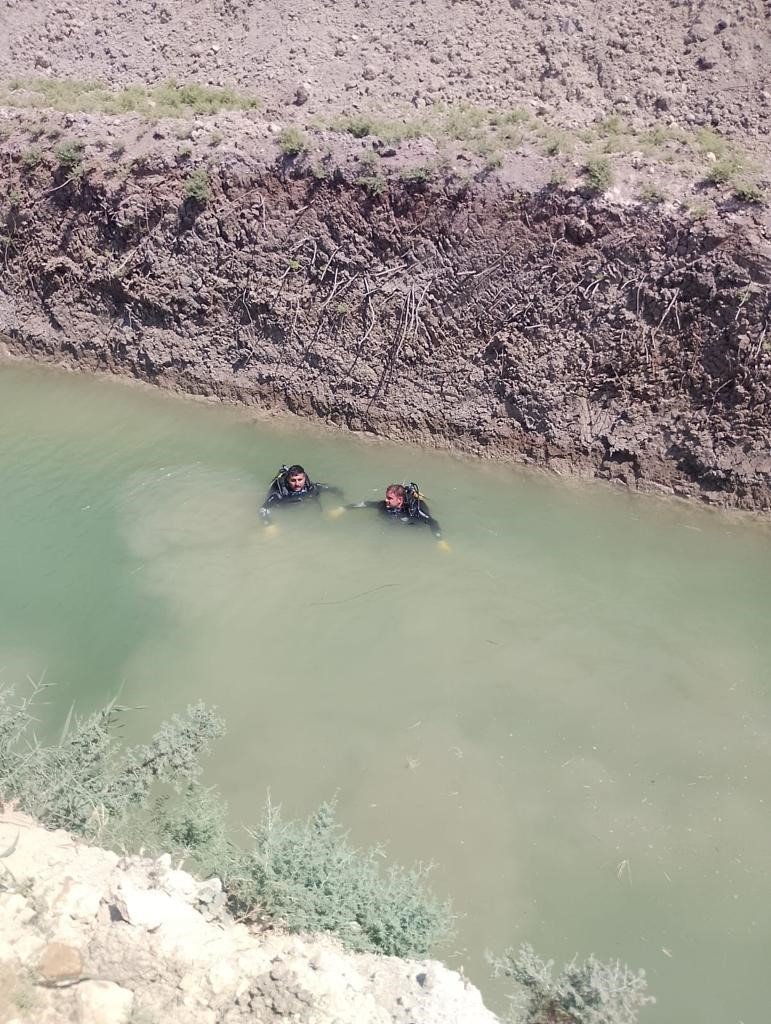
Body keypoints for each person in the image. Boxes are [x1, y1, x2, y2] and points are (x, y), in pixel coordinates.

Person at [333, 482, 449, 549]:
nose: (386, 500)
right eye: (386, 497)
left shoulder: (414, 511)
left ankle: (417, 495)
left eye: (389, 498)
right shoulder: (384, 505)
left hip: (414, 524)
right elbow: (365, 504)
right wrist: (342, 509)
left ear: (399, 500)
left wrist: (440, 541)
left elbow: (433, 522)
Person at [259, 464, 342, 526]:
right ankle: (282, 473)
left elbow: (331, 488)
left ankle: (286, 471)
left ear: (304, 478)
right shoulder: (279, 494)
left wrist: (339, 495)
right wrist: (268, 525)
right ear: (288, 480)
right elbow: (263, 509)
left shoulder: (310, 487)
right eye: (293, 480)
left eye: (300, 480)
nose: (297, 484)